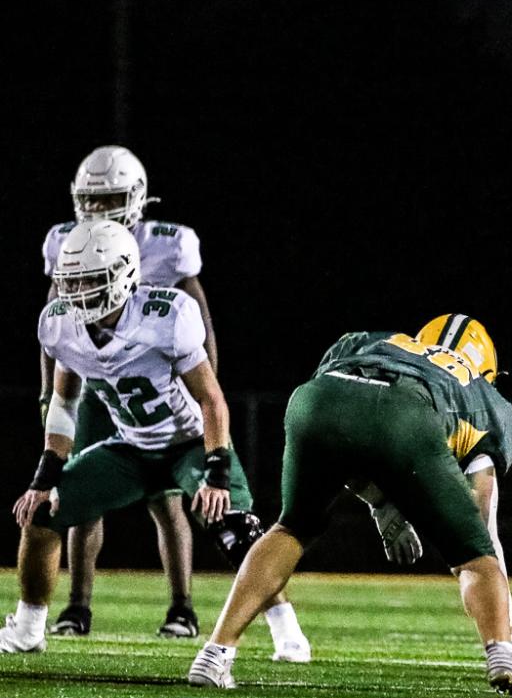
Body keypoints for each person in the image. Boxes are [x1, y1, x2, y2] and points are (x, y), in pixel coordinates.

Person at [186, 314, 512, 698]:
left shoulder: (373, 340)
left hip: (316, 400)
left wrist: (380, 500)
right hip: (405, 415)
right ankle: (503, 655)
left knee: (291, 528)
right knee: (475, 558)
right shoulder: (492, 404)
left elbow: (348, 419)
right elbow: (482, 525)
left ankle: (215, 654)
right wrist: (502, 622)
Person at [1, 222, 306, 657]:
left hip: (187, 443)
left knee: (234, 528)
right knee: (42, 516)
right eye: (71, 279)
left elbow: (212, 400)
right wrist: (44, 477)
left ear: (123, 275)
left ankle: (287, 630)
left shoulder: (166, 316)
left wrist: (216, 471)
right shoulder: (60, 325)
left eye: (89, 278)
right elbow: (64, 404)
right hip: (132, 446)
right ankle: (28, 628)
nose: (77, 290)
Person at [38, 146, 221, 638]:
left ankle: (182, 607)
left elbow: (198, 318)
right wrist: (48, 394)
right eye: (90, 200)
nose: (97, 210)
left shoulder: (168, 243)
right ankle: (76, 607)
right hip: (93, 382)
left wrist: (207, 387)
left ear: (138, 196)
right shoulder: (64, 241)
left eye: (111, 198)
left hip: (154, 377)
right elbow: (56, 321)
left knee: (166, 496)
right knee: (79, 493)